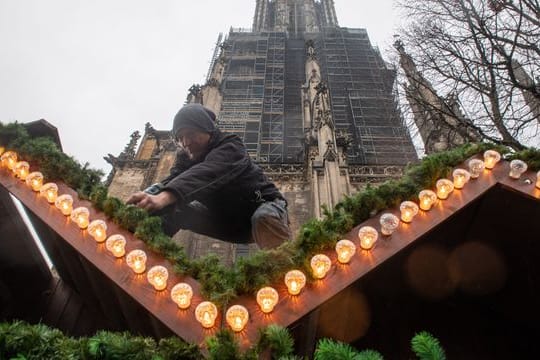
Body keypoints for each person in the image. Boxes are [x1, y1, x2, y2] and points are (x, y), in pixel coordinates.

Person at [127, 103, 291, 249]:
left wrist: (164, 197)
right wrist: (146, 198)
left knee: (263, 218)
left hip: (263, 210)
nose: (186, 142)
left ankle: (285, 272)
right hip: (229, 223)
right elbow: (171, 181)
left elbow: (208, 172)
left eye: (190, 134)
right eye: (180, 138)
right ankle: (142, 249)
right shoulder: (185, 157)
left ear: (206, 128)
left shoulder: (231, 145)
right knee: (174, 210)